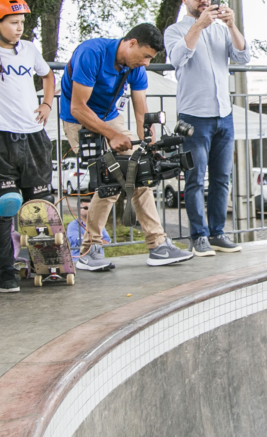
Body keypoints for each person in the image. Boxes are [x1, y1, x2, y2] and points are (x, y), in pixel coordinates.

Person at [60, 23, 194, 270]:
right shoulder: (92, 53)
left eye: (150, 59)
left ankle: (158, 245)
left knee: (140, 172)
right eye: (145, 56)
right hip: (79, 120)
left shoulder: (134, 66)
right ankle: (90, 250)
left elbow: (141, 109)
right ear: (131, 43)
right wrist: (111, 134)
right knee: (110, 179)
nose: (146, 63)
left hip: (110, 118)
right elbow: (77, 107)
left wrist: (149, 142)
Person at [164, 0, 250, 257]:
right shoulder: (175, 31)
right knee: (194, 178)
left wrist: (232, 25)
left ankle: (216, 234)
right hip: (193, 116)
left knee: (222, 178)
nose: (205, 0)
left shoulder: (221, 29)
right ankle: (198, 236)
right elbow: (177, 59)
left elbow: (243, 57)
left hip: (223, 114)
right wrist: (199, 26)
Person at [0, 0, 55, 292]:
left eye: (22, 22)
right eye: (13, 22)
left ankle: (44, 263)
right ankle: (5, 270)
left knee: (39, 203)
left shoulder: (29, 50)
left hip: (33, 135)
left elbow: (47, 76)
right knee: (4, 203)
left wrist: (47, 104)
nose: (20, 27)